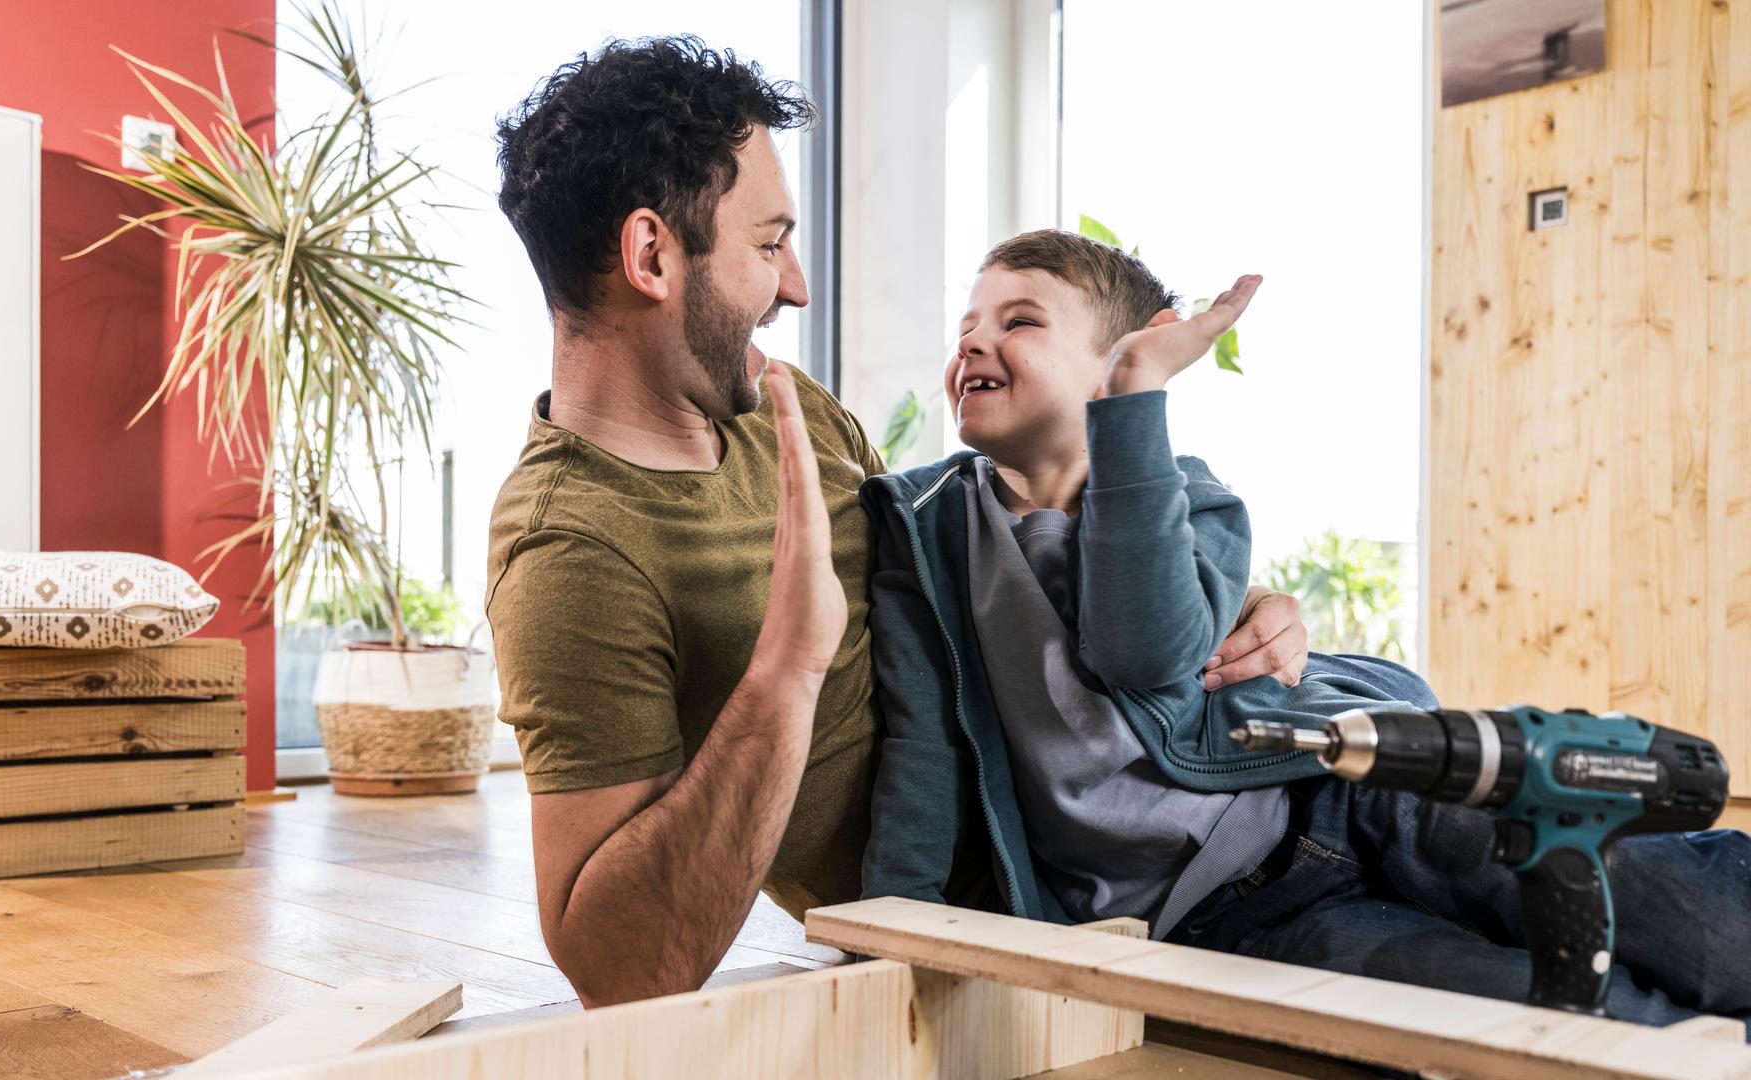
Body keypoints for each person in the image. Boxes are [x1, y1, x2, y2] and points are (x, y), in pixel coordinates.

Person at [483, 38, 1310, 1007]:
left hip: (1187, 810)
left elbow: (977, 551)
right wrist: (785, 673)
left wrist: (1232, 598)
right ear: (652, 256)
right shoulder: (570, 556)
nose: (795, 285)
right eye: (767, 243)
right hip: (1046, 929)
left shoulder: (784, 408)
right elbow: (619, 973)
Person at [859, 228, 1751, 1031]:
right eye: (968, 324)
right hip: (1235, 921)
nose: (973, 340)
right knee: (1568, 1024)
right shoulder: (925, 525)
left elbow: (1140, 653)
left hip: (1350, 787)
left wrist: (1134, 404)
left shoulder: (1191, 495)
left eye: (1019, 321)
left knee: (1704, 926)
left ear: (1120, 361)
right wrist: (882, 935)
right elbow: (923, 745)